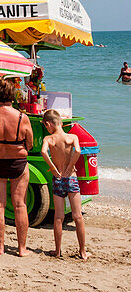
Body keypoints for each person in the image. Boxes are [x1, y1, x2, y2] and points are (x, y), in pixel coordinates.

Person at [0, 77, 33, 256]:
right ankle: (22, 248)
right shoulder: (21, 117)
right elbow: (30, 143)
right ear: (13, 95)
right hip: (17, 162)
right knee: (20, 205)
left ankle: (0, 246)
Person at [41, 109, 87, 260]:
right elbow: (78, 151)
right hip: (71, 178)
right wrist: (70, 166)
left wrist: (54, 168)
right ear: (61, 122)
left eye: (45, 126)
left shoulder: (49, 139)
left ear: (48, 124)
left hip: (58, 178)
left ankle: (58, 250)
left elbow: (43, 152)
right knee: (77, 216)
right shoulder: (71, 137)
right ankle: (82, 252)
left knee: (58, 217)